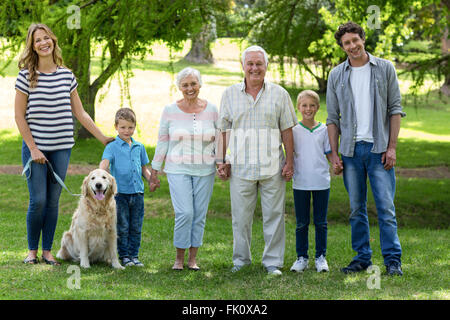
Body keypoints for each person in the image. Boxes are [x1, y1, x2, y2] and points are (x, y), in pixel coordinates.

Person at [15, 23, 113, 266]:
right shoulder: (26, 75)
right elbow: (19, 116)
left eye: (46, 38)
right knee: (37, 200)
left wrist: (102, 137)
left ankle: (48, 251)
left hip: (61, 148)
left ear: (53, 41)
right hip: (35, 149)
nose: (43, 43)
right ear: (32, 46)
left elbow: (80, 113)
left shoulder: (67, 75)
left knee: (53, 200)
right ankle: (32, 251)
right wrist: (34, 148)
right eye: (37, 40)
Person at [326, 21, 405, 276]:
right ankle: (362, 258)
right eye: (346, 43)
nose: (352, 46)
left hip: (378, 149)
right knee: (356, 208)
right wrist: (335, 154)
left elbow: (395, 109)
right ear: (342, 47)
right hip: (350, 153)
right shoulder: (336, 74)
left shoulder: (384, 68)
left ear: (363, 38)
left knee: (385, 207)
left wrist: (391, 147)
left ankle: (393, 260)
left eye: (355, 40)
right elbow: (332, 119)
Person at [217, 45, 297, 276]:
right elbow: (223, 130)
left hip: (273, 166)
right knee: (240, 218)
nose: (254, 68)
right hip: (241, 167)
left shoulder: (280, 94)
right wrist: (221, 160)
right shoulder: (229, 94)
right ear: (243, 67)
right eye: (250, 64)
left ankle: (272, 262)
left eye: (258, 64)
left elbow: (287, 131)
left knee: (274, 216)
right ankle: (241, 260)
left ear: (266, 67)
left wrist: (289, 162)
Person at [149, 67, 218, 271]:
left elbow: (221, 137)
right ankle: (179, 258)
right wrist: (155, 170)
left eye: (193, 84)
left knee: (199, 214)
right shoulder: (170, 110)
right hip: (177, 168)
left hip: (206, 170)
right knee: (185, 212)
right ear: (179, 87)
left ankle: (192, 259)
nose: (190, 88)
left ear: (200, 85)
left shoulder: (212, 109)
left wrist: (222, 161)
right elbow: (162, 141)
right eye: (185, 85)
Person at [290, 90, 336, 273]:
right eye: (304, 105)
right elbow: (290, 155)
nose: (308, 109)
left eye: (311, 105)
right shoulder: (293, 130)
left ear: (317, 107)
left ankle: (320, 257)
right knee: (301, 223)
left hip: (320, 181)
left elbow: (330, 153)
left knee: (320, 222)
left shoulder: (324, 130)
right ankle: (302, 258)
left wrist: (336, 163)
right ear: (298, 107)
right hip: (300, 181)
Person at [100, 108, 151, 267]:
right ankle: (124, 256)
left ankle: (134, 255)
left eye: (130, 127)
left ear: (134, 127)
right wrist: (100, 173)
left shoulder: (139, 147)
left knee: (136, 226)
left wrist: (151, 180)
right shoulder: (112, 146)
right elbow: (105, 163)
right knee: (122, 226)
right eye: (122, 127)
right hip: (120, 195)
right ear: (116, 127)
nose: (126, 131)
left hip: (137, 194)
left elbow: (144, 168)